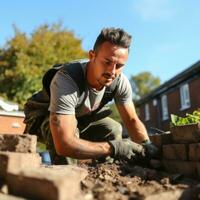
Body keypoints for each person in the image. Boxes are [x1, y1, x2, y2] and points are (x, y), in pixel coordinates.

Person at [24, 27, 159, 164]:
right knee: (65, 135)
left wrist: (147, 146)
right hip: (44, 119)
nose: (112, 71)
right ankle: (67, 179)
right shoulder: (67, 80)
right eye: (107, 62)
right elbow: (64, 143)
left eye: (119, 65)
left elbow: (131, 120)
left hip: (81, 118)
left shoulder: (120, 82)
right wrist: (114, 148)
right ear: (92, 56)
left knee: (113, 129)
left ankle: (105, 174)